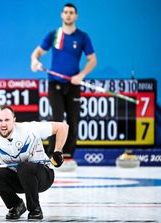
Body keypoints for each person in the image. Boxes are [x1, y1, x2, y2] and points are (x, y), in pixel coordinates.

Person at [0, 105, 68, 220]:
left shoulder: (29, 129)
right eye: (0, 120)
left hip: (42, 177)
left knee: (24, 167)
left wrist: (58, 151)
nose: (3, 124)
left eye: (7, 120)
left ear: (14, 120)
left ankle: (35, 209)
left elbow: (62, 127)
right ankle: (16, 205)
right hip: (19, 178)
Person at [30, 3, 97, 163]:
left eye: (71, 12)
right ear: (62, 15)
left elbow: (92, 60)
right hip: (55, 84)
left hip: (74, 84)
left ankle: (68, 156)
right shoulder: (54, 34)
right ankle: (52, 155)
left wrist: (81, 75)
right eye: (65, 12)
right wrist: (35, 62)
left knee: (73, 121)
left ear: (76, 16)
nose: (68, 15)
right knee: (57, 119)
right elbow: (37, 53)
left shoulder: (83, 37)